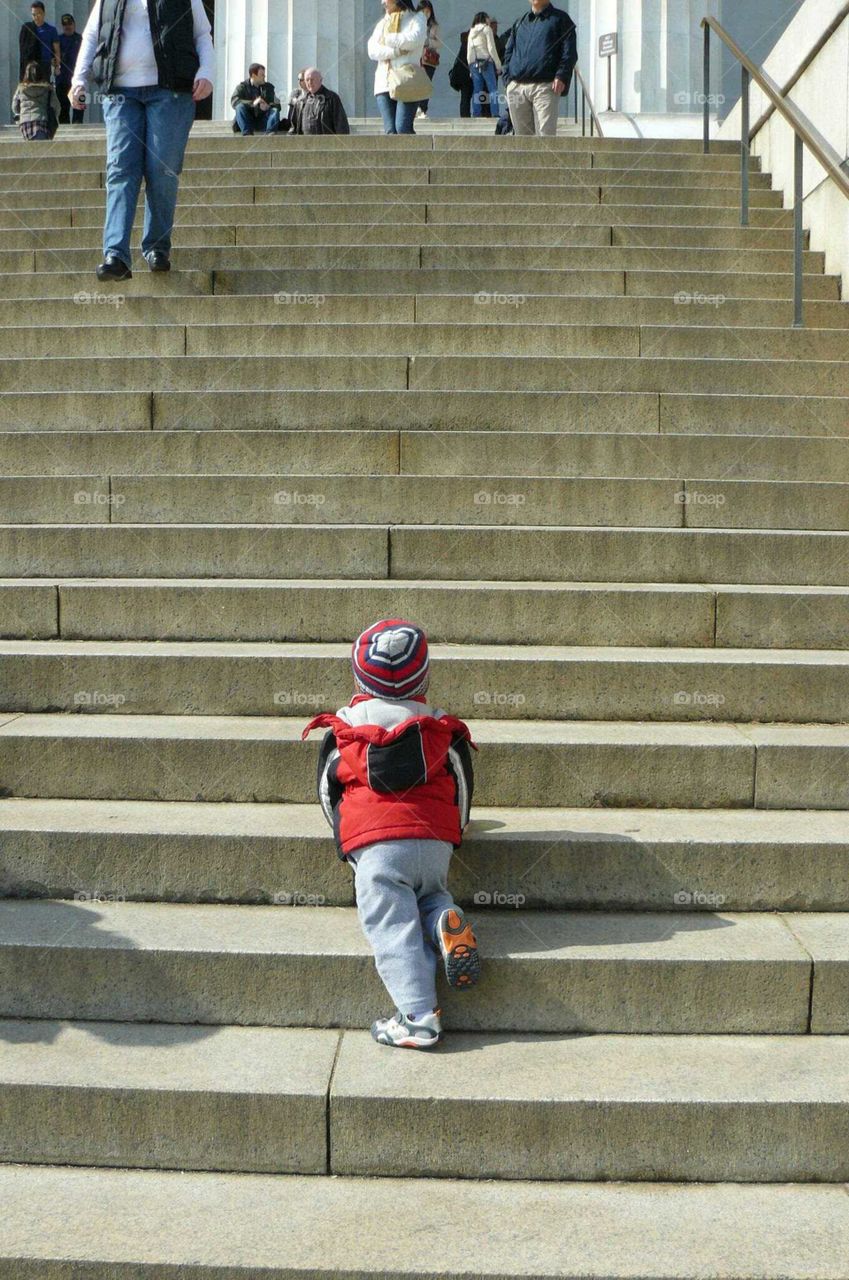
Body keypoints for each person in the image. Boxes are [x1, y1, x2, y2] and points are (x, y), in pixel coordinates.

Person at [302, 619, 479, 1050]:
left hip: (377, 848)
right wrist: (456, 829)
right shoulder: (439, 729)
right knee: (430, 892)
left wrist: (348, 841)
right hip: (433, 841)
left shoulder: (345, 732)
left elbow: (329, 794)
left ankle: (418, 1018)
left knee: (392, 924)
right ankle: (442, 920)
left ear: (359, 678)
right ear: (425, 678)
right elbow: (462, 786)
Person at [70, 0, 214, 281]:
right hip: (121, 92)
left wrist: (207, 72)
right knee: (121, 168)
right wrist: (79, 79)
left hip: (170, 90)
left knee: (162, 168)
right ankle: (116, 255)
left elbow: (201, 35)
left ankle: (157, 247)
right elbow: (92, 34)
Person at [503, 0, 577, 136]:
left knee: (545, 137)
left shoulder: (561, 19)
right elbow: (508, 52)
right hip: (517, 87)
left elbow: (569, 52)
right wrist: (508, 81)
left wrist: (561, 75)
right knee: (522, 140)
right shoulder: (520, 22)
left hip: (545, 86)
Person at [368, 0, 427, 136]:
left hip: (407, 80)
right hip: (384, 82)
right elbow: (372, 51)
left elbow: (414, 40)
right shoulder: (382, 23)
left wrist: (388, 39)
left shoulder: (417, 18)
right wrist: (396, 52)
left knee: (402, 128)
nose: (382, 2)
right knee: (390, 131)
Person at [291, 68, 350, 134]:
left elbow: (341, 125)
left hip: (327, 143)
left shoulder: (331, 98)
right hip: (306, 143)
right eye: (307, 80)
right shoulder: (301, 102)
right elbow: (294, 127)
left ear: (320, 80)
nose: (310, 82)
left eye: (312, 79)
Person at [12, 60, 60, 141]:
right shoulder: (48, 89)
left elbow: (14, 107)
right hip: (42, 122)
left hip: (25, 123)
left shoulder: (20, 89)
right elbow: (56, 107)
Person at [466, 11, 501, 118]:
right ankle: (495, 113)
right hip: (486, 62)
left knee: (477, 90)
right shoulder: (487, 29)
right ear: (484, 19)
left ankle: (476, 113)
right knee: (493, 89)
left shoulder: (471, 31)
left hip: (474, 64)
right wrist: (498, 65)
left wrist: (470, 67)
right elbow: (491, 48)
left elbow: (469, 51)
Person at [231, 63, 281, 135]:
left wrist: (268, 106)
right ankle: (247, 135)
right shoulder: (242, 87)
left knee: (274, 110)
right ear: (254, 76)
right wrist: (253, 103)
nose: (264, 76)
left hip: (263, 121)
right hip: (247, 121)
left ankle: (270, 135)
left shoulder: (268, 87)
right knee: (239, 107)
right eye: (262, 75)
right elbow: (234, 101)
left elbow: (277, 104)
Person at [19, 3, 59, 83]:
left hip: (45, 65)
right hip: (30, 65)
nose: (36, 17)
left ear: (44, 13)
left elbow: (57, 50)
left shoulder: (51, 30)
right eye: (34, 14)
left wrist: (57, 66)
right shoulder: (28, 28)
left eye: (39, 14)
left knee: (44, 90)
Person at [415, 1, 441, 121]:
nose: (426, 13)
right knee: (416, 85)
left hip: (429, 60)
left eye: (428, 11)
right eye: (423, 11)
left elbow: (439, 43)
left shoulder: (434, 26)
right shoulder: (414, 24)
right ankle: (415, 108)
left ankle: (423, 109)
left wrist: (427, 41)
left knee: (426, 85)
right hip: (415, 59)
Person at [56, 14, 83, 125]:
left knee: (79, 109)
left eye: (70, 24)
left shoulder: (81, 39)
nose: (68, 27)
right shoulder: (58, 40)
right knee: (63, 111)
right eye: (65, 25)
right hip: (63, 80)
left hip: (79, 80)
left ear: (74, 24)